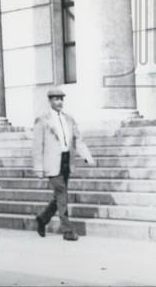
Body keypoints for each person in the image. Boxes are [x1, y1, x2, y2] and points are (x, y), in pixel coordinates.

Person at [32, 88, 95, 241]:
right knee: (62, 194)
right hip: (52, 162)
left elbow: (77, 140)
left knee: (59, 196)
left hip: (67, 160)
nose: (59, 102)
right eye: (56, 99)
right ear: (50, 101)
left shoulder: (69, 119)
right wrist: (38, 167)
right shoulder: (43, 120)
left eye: (61, 99)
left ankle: (42, 219)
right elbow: (37, 145)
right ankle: (67, 230)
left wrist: (87, 156)